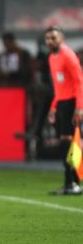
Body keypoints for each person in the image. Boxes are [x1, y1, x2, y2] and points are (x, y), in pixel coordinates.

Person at [44, 26, 83, 195]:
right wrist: (54, 106)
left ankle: (72, 183)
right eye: (48, 38)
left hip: (71, 103)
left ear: (62, 38)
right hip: (62, 104)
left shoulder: (68, 55)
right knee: (68, 144)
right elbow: (60, 86)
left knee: (70, 143)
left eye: (54, 37)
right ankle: (73, 182)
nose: (51, 41)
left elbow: (79, 81)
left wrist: (80, 107)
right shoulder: (52, 57)